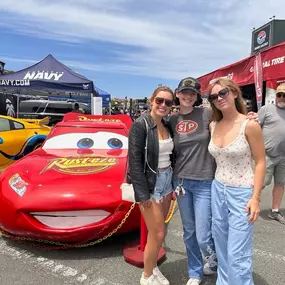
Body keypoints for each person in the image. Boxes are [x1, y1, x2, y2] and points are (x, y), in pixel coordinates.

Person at [207, 78, 265, 285]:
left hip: (242, 193)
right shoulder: (213, 125)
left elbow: (260, 162)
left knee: (237, 254)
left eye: (222, 93)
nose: (219, 98)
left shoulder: (249, 125)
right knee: (221, 248)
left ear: (233, 93)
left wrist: (256, 198)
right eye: (213, 97)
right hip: (217, 189)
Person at [169, 77, 217, 285]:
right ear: (177, 94)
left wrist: (251, 117)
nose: (188, 96)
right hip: (181, 182)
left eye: (192, 92)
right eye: (184, 92)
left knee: (203, 235)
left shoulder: (207, 114)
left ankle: (215, 256)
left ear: (197, 96)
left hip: (205, 181)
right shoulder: (171, 120)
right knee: (189, 231)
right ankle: (195, 272)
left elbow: (233, 121)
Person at [128, 86, 175, 285]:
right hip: (150, 185)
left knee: (157, 233)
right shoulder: (140, 125)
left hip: (166, 182)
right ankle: (146, 277)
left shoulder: (166, 125)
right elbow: (135, 162)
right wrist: (142, 194)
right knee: (158, 233)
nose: (163, 105)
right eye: (160, 101)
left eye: (168, 102)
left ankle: (152, 268)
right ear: (151, 101)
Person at [258, 83, 285, 224]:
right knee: (261, 183)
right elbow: (255, 129)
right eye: (279, 94)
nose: (281, 98)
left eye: (284, 95)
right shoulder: (266, 109)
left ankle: (275, 211)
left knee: (280, 184)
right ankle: (249, 205)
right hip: (267, 155)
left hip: (284, 157)